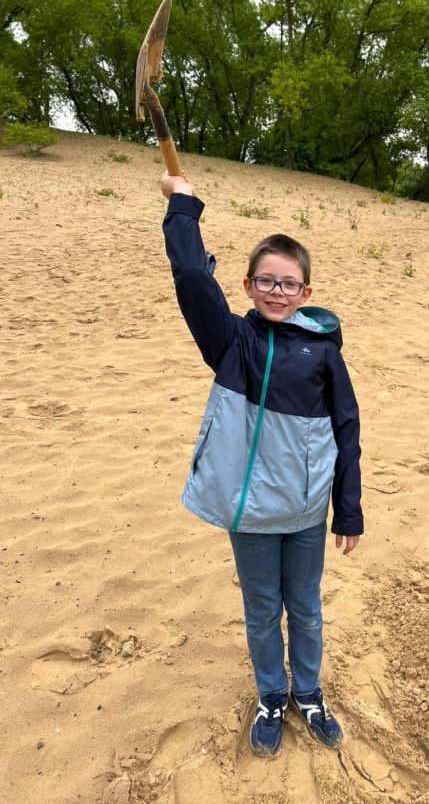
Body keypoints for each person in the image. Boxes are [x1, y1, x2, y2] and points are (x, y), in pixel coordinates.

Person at [160, 173, 363, 758]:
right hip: (248, 512)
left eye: (289, 283)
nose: (277, 291)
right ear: (248, 285)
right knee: (261, 611)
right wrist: (182, 205)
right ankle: (272, 694)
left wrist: (348, 509)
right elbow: (192, 276)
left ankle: (308, 692)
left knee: (306, 608)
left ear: (305, 291)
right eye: (267, 281)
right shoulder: (231, 342)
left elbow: (347, 429)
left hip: (305, 511)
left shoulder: (322, 352)